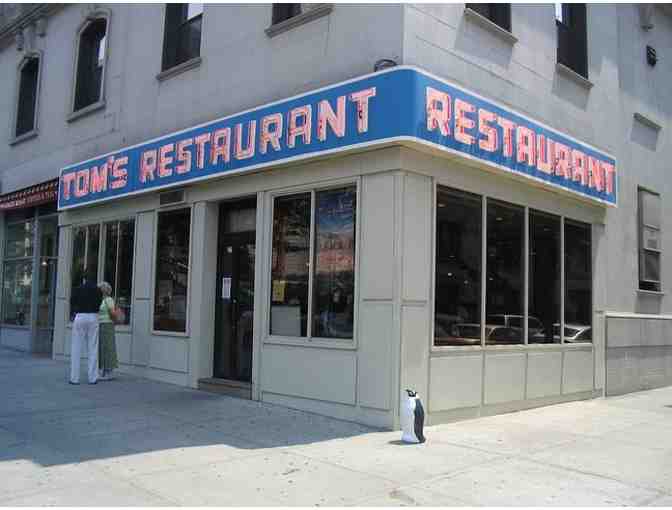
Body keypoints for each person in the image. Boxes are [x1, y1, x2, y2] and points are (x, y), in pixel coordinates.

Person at [69, 271, 102, 385]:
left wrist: (75, 312)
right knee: (93, 347)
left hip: (80, 316)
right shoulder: (98, 290)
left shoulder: (77, 289)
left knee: (76, 347)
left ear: (84, 278)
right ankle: (93, 378)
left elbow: (72, 302)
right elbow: (99, 304)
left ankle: (74, 378)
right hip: (93, 316)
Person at [97, 281, 119, 381]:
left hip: (107, 325)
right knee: (102, 347)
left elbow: (112, 313)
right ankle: (103, 370)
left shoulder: (109, 300)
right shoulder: (101, 300)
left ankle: (108, 371)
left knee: (108, 347)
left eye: (100, 289)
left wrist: (115, 321)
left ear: (103, 290)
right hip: (101, 325)